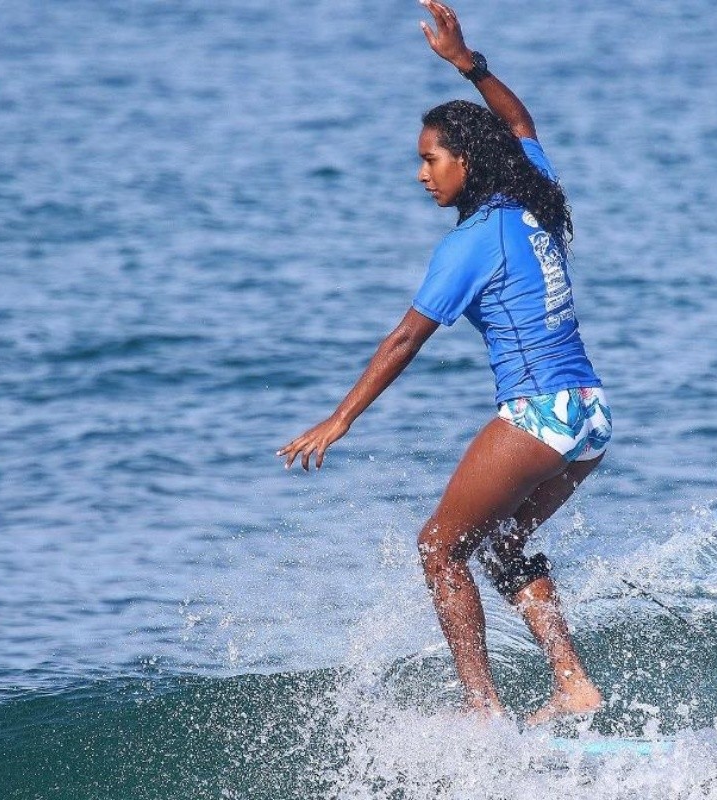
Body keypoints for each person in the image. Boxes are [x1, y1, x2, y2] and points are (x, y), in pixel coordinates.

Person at [277, 0, 611, 725]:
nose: (422, 174)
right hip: (589, 416)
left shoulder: (471, 244)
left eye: (430, 159)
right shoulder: (535, 199)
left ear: (465, 160)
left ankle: (480, 711)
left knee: (438, 549)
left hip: (538, 413)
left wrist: (339, 420)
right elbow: (521, 125)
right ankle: (572, 683)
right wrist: (470, 65)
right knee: (503, 546)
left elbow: (404, 340)